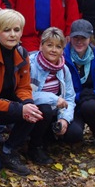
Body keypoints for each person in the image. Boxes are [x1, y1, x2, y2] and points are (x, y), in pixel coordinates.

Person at [0, 10, 48, 175]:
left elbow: (24, 87)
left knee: (34, 110)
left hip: (6, 107)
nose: (12, 34)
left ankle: (9, 150)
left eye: (16, 30)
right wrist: (19, 109)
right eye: (6, 30)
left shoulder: (22, 53)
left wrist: (27, 104)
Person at [28, 27, 79, 156]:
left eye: (58, 46)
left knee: (75, 133)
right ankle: (34, 146)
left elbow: (70, 97)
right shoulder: (30, 65)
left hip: (56, 111)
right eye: (49, 45)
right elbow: (25, 94)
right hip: (33, 110)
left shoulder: (64, 69)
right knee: (45, 109)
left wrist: (64, 119)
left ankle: (49, 139)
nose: (53, 50)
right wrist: (53, 99)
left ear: (62, 50)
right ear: (41, 46)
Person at [62, 20, 95, 152]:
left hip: (92, 105)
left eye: (83, 38)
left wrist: (93, 94)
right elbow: (61, 90)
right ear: (70, 38)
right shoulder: (63, 58)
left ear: (90, 38)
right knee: (72, 135)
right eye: (75, 38)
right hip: (71, 104)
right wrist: (79, 96)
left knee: (89, 105)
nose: (79, 42)